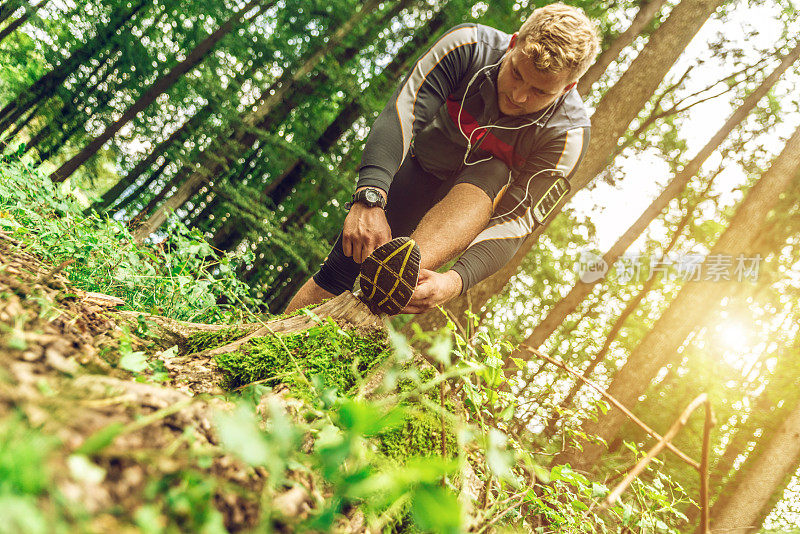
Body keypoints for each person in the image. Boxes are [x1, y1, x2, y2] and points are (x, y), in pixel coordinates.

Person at [285, 3, 599, 314]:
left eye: (541, 92)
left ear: (568, 87)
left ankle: (397, 276)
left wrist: (455, 280)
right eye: (516, 73)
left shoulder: (567, 135)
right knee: (343, 265)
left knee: (385, 289)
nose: (519, 96)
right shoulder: (468, 46)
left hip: (469, 205)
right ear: (513, 43)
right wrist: (369, 197)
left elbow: (516, 221)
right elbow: (402, 113)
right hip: (419, 168)